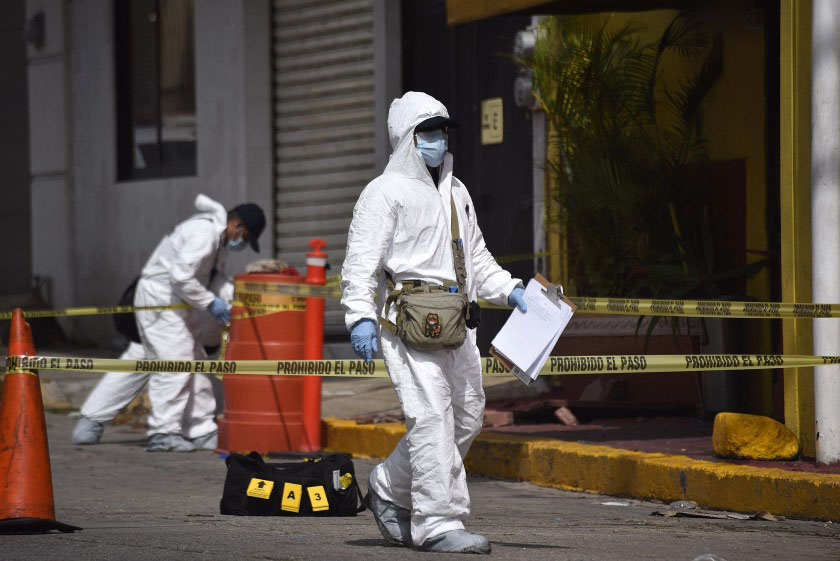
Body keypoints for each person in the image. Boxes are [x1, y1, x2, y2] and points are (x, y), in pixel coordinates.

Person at [340, 91, 528, 554]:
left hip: (458, 322)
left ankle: (387, 484)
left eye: (442, 133)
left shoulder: (457, 193)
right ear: (408, 139)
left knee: (466, 417)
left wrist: (513, 290)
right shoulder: (382, 193)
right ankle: (437, 522)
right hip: (407, 323)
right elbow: (360, 263)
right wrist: (360, 317)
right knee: (430, 419)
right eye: (428, 133)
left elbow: (477, 260)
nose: (439, 141)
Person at [72, 194, 265, 452]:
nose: (241, 244)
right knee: (177, 363)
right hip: (161, 302)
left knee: (150, 359)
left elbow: (211, 277)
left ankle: (94, 420)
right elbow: (181, 277)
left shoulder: (216, 238)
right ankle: (164, 432)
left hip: (173, 303)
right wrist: (211, 302)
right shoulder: (204, 233)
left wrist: (233, 296)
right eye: (245, 238)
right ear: (237, 225)